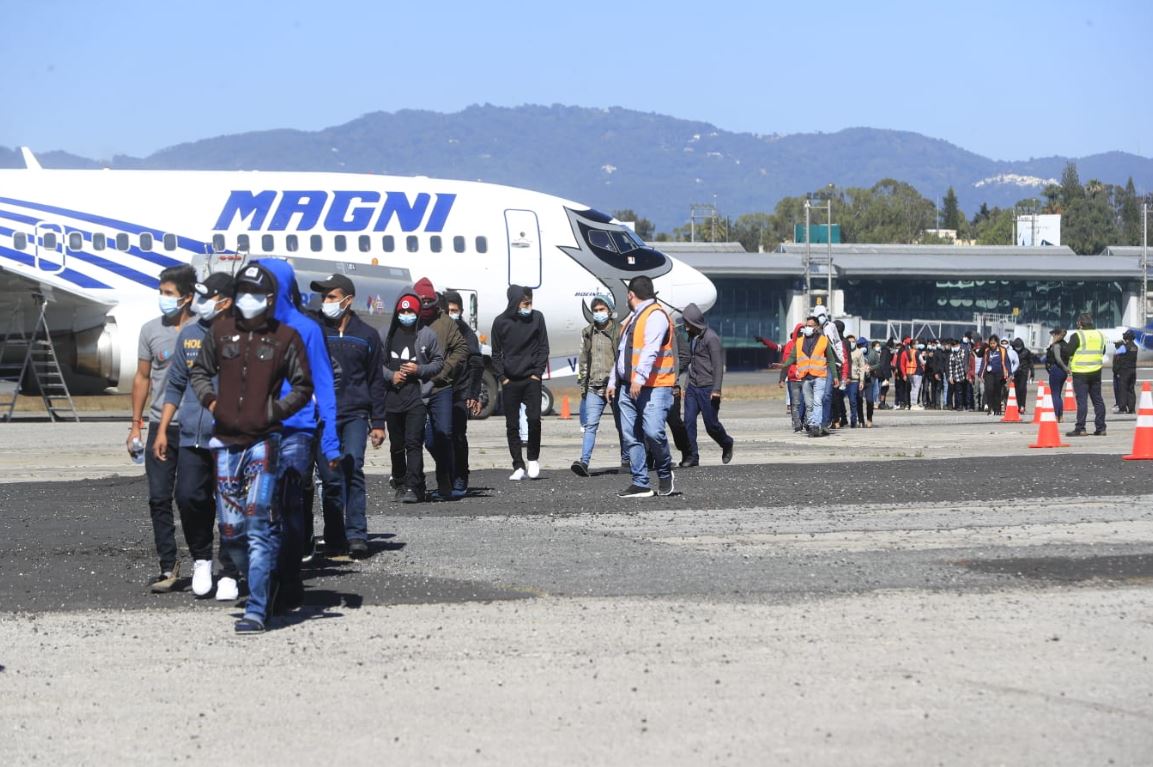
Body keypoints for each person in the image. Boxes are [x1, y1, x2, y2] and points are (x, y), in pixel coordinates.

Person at [189, 262, 315, 634]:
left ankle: (257, 608)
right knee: (232, 532)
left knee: (258, 522)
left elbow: (303, 386)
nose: (248, 299)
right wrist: (212, 402)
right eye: (243, 291)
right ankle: (265, 580)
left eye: (256, 293)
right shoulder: (220, 332)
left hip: (264, 441)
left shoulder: (285, 338)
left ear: (270, 298)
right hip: (225, 441)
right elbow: (199, 372)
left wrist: (274, 411)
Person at [257, 258, 340, 613]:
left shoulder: (307, 329)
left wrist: (331, 441)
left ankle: (287, 580)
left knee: (288, 504)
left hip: (296, 431)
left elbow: (325, 385)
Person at [152, 272, 238, 600]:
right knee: (188, 497)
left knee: (230, 503)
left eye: (207, 296)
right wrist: (162, 429)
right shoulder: (189, 334)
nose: (200, 303)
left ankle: (229, 569)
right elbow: (175, 383)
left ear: (225, 302)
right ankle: (202, 559)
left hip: (230, 438)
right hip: (192, 436)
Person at [128, 264, 198, 593]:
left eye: (168, 293)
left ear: (187, 297)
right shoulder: (150, 330)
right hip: (161, 427)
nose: (163, 298)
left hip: (195, 426)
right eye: (161, 292)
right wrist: (136, 425)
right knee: (158, 498)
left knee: (192, 497)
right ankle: (168, 565)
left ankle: (202, 560)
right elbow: (142, 378)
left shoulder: (203, 329)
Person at [309, 273, 387, 558]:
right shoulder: (316, 330)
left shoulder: (367, 335)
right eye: (324, 297)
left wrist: (378, 422)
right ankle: (334, 535)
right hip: (322, 416)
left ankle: (356, 534)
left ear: (348, 300)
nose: (326, 302)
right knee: (330, 476)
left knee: (353, 467)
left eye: (331, 296)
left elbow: (375, 381)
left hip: (355, 413)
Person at [607, 275, 676, 497]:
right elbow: (622, 354)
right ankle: (640, 482)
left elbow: (650, 350)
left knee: (653, 432)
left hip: (654, 386)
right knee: (631, 436)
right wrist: (613, 380)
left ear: (630, 295)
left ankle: (664, 471)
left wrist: (639, 378)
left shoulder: (655, 316)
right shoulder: (632, 319)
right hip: (627, 387)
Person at [382, 292, 444, 502]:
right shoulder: (386, 335)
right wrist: (391, 376)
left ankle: (415, 486)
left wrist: (419, 369)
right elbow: (374, 364)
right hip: (392, 399)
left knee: (414, 443)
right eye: (403, 311)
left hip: (416, 398)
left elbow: (438, 362)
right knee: (396, 445)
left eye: (410, 311)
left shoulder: (427, 335)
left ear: (417, 313)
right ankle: (400, 482)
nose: (406, 315)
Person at [413, 278, 468, 499]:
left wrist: (444, 371)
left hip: (441, 387)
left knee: (443, 434)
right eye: (421, 300)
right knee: (421, 440)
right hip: (416, 388)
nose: (425, 305)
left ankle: (446, 479)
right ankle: (415, 483)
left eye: (429, 300)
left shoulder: (446, 322)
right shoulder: (410, 321)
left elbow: (461, 348)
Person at [490, 285, 550, 481]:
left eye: (530, 303)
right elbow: (496, 354)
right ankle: (518, 465)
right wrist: (503, 378)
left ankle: (533, 458)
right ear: (515, 303)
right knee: (512, 425)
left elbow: (543, 347)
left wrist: (537, 374)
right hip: (510, 381)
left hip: (531, 378)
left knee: (534, 419)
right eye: (525, 303)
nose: (528, 307)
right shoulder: (500, 322)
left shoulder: (538, 318)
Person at [572, 293, 622, 476]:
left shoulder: (619, 331)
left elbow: (622, 359)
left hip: (615, 388)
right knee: (590, 425)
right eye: (595, 310)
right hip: (594, 387)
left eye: (602, 309)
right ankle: (584, 462)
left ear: (609, 311)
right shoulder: (588, 333)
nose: (598, 313)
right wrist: (583, 386)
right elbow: (584, 359)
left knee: (622, 425)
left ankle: (626, 460)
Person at [680, 302, 734, 466]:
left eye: (687, 321)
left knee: (711, 425)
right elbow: (692, 363)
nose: (685, 325)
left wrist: (716, 389)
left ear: (694, 321)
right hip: (692, 387)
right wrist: (686, 385)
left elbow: (718, 366)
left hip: (708, 388)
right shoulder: (693, 337)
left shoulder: (711, 338)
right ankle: (692, 456)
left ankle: (726, 442)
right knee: (688, 422)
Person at [444, 290, 484, 496]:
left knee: (458, 435)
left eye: (455, 310)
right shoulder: (437, 330)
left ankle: (461, 476)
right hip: (440, 391)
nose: (452, 314)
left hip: (460, 391)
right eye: (449, 310)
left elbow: (477, 363)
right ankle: (446, 477)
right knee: (441, 436)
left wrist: (473, 393)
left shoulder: (467, 333)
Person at [778, 314, 840, 437]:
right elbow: (792, 358)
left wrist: (835, 376)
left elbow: (831, 359)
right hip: (805, 377)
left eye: (811, 326)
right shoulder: (799, 342)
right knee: (809, 404)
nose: (808, 328)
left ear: (817, 327)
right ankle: (812, 424)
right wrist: (783, 370)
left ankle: (815, 426)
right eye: (807, 325)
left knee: (817, 401)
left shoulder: (823, 341)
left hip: (820, 376)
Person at [1065, 312, 1107, 437]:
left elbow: (1068, 351)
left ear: (1080, 323)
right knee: (1098, 400)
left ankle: (1080, 428)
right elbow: (1103, 351)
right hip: (1096, 371)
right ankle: (1101, 428)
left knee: (1082, 401)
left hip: (1080, 372)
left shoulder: (1077, 335)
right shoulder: (1100, 335)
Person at [778, 323, 806, 432]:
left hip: (806, 378)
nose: (801, 335)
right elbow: (785, 362)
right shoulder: (790, 345)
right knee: (795, 402)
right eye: (799, 333)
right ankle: (797, 423)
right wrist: (782, 378)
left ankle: (803, 421)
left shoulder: (808, 343)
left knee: (805, 402)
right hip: (793, 378)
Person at [975, 334, 1012, 416]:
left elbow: (1007, 362)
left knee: (997, 391)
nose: (992, 345)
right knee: (989, 389)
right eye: (991, 343)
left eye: (994, 343)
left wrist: (1009, 373)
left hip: (999, 373)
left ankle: (997, 409)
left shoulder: (1002, 350)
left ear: (997, 343)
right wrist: (980, 373)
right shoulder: (987, 350)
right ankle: (990, 408)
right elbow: (983, 361)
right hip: (989, 374)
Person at [1046, 328, 1071, 422]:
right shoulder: (1066, 345)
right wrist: (1067, 368)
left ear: (1056, 335)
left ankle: (1056, 415)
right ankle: (1060, 416)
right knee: (1058, 394)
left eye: (1053, 335)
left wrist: (1065, 368)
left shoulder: (1056, 345)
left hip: (1057, 370)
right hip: (1063, 373)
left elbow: (1058, 359)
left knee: (1055, 394)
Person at [1112, 330, 1138, 414]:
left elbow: (1116, 354)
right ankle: (1132, 409)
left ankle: (1122, 408)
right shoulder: (1135, 347)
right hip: (1133, 370)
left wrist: (1119, 346)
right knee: (1131, 389)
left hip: (1124, 371)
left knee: (1122, 389)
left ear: (1126, 337)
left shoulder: (1124, 347)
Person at [1009, 338, 1035, 415]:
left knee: (1022, 388)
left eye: (1019, 347)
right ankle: (1019, 405)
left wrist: (1032, 373)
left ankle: (1022, 405)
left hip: (1023, 372)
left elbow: (1031, 363)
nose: (1018, 349)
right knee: (1016, 390)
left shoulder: (1026, 352)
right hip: (1015, 372)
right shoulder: (1012, 352)